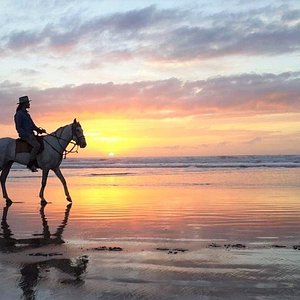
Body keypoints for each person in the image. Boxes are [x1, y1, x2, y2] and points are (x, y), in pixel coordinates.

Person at [14, 96, 46, 172]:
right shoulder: (19, 114)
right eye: (28, 102)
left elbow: (32, 125)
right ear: (24, 104)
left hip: (31, 134)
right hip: (25, 136)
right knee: (37, 145)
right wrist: (26, 135)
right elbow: (18, 128)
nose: (29, 104)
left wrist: (39, 130)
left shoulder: (27, 114)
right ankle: (30, 164)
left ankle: (38, 162)